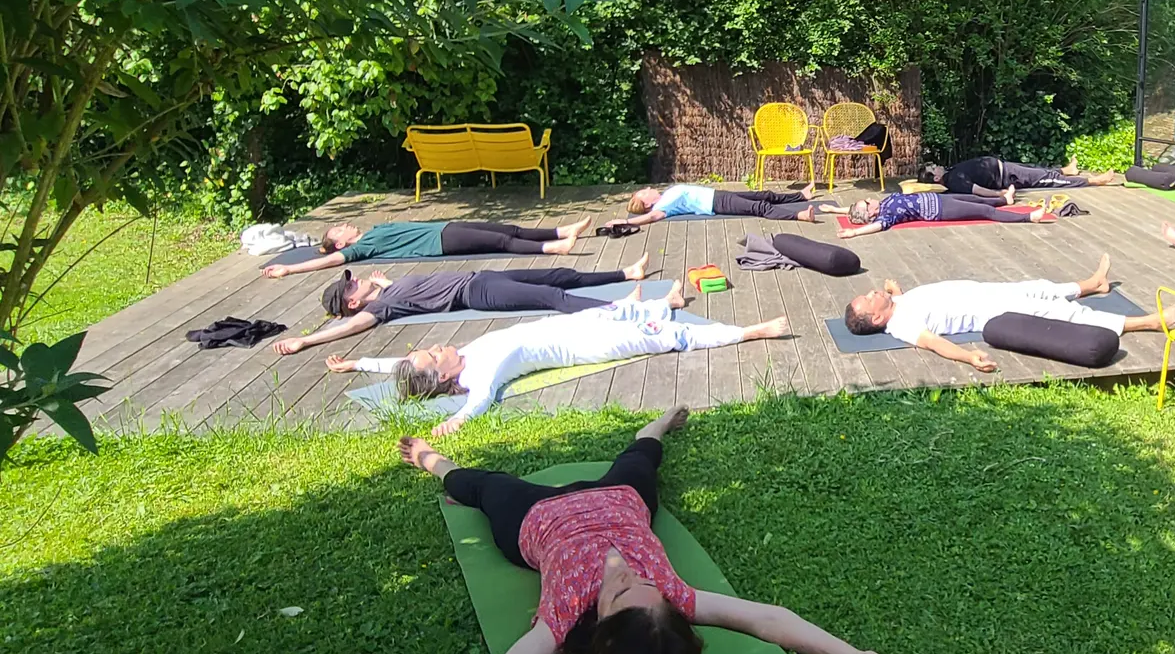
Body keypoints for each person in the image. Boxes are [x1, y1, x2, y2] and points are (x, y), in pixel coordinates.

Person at [397, 407, 924, 654]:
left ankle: (428, 457)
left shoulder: (561, 618)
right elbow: (769, 617)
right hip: (620, 499)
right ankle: (662, 420)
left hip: (538, 518)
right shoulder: (673, 597)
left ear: (598, 622)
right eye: (645, 584)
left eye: (625, 592)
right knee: (641, 455)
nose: (629, 573)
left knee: (481, 485)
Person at [327, 281, 789, 436]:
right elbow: (479, 403)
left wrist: (358, 364)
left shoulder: (463, 357)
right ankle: (747, 333)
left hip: (569, 327)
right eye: (435, 355)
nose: (438, 346)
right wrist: (455, 423)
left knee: (615, 308)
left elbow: (398, 365)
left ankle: (664, 300)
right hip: (585, 347)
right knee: (663, 336)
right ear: (445, 377)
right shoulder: (481, 374)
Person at [840, 255, 1175, 371]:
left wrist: (896, 293)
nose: (872, 292)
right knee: (1058, 312)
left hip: (985, 291)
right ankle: (1148, 322)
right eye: (869, 299)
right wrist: (968, 358)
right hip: (992, 311)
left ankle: (1092, 284)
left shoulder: (898, 305)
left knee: (1038, 284)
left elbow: (910, 302)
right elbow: (932, 342)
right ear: (877, 319)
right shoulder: (901, 324)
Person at [270, 256, 655, 356]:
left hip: (481, 276)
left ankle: (625, 273)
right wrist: (307, 341)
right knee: (550, 298)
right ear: (352, 301)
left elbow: (405, 288)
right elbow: (352, 327)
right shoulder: (382, 308)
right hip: (478, 294)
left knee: (556, 275)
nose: (355, 279)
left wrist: (385, 283)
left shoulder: (387, 289)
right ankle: (619, 309)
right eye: (350, 284)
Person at [261, 217, 594, 278]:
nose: (347, 226)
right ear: (341, 242)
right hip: (441, 242)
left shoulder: (372, 231)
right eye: (341, 229)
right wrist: (289, 267)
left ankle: (561, 230)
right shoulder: (359, 250)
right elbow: (328, 262)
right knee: (501, 242)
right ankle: (554, 248)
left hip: (443, 227)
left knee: (507, 228)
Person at [835, 190, 1053, 238]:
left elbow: (855, 211)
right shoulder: (886, 215)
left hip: (939, 198)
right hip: (941, 210)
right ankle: (1028, 217)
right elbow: (874, 226)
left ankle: (1005, 199)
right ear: (871, 212)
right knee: (985, 211)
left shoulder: (883, 203)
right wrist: (854, 233)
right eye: (866, 202)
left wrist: (837, 209)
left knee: (976, 198)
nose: (868, 199)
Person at [615, 184, 825, 225]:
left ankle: (800, 196)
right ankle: (800, 216)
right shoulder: (662, 206)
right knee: (759, 207)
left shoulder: (665, 196)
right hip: (717, 203)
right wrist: (626, 222)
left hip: (718, 194)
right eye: (645, 192)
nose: (650, 189)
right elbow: (652, 217)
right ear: (646, 202)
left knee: (764, 194)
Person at [918, 154, 1120, 196]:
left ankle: (1067, 170)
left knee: (1037, 171)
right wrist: (1001, 194)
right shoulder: (955, 180)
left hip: (1004, 168)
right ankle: (1093, 180)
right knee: (1046, 180)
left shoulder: (951, 173)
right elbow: (977, 190)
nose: (936, 166)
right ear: (936, 178)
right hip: (1007, 177)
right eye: (932, 168)